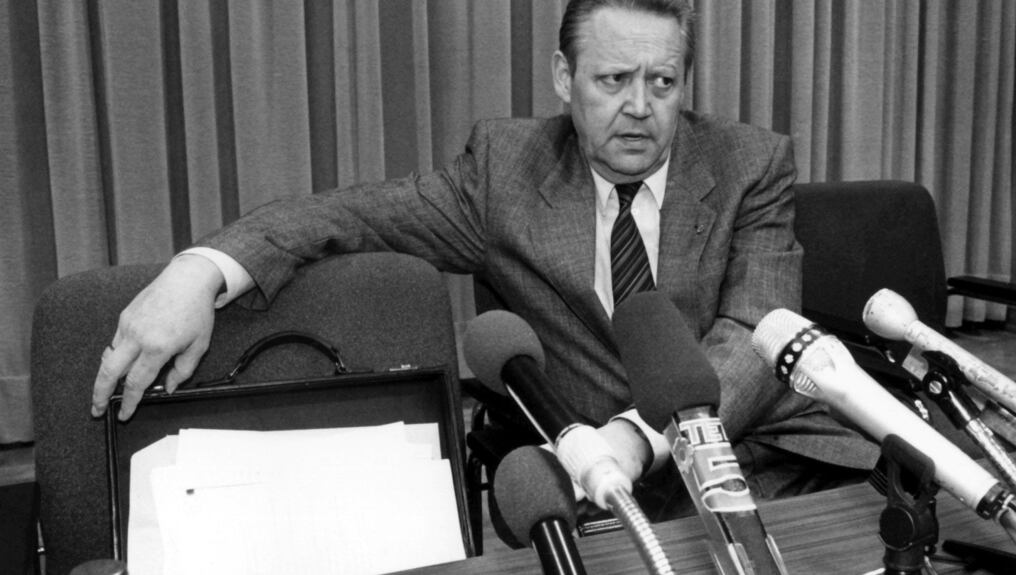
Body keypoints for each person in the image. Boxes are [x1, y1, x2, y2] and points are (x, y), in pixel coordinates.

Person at [92, 0, 878, 518]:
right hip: (581, 479)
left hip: (753, 454)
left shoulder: (749, 162)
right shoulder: (506, 172)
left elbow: (752, 329)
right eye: (613, 80)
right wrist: (199, 267)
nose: (640, 106)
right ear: (564, 78)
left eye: (662, 82)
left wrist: (640, 437)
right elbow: (347, 213)